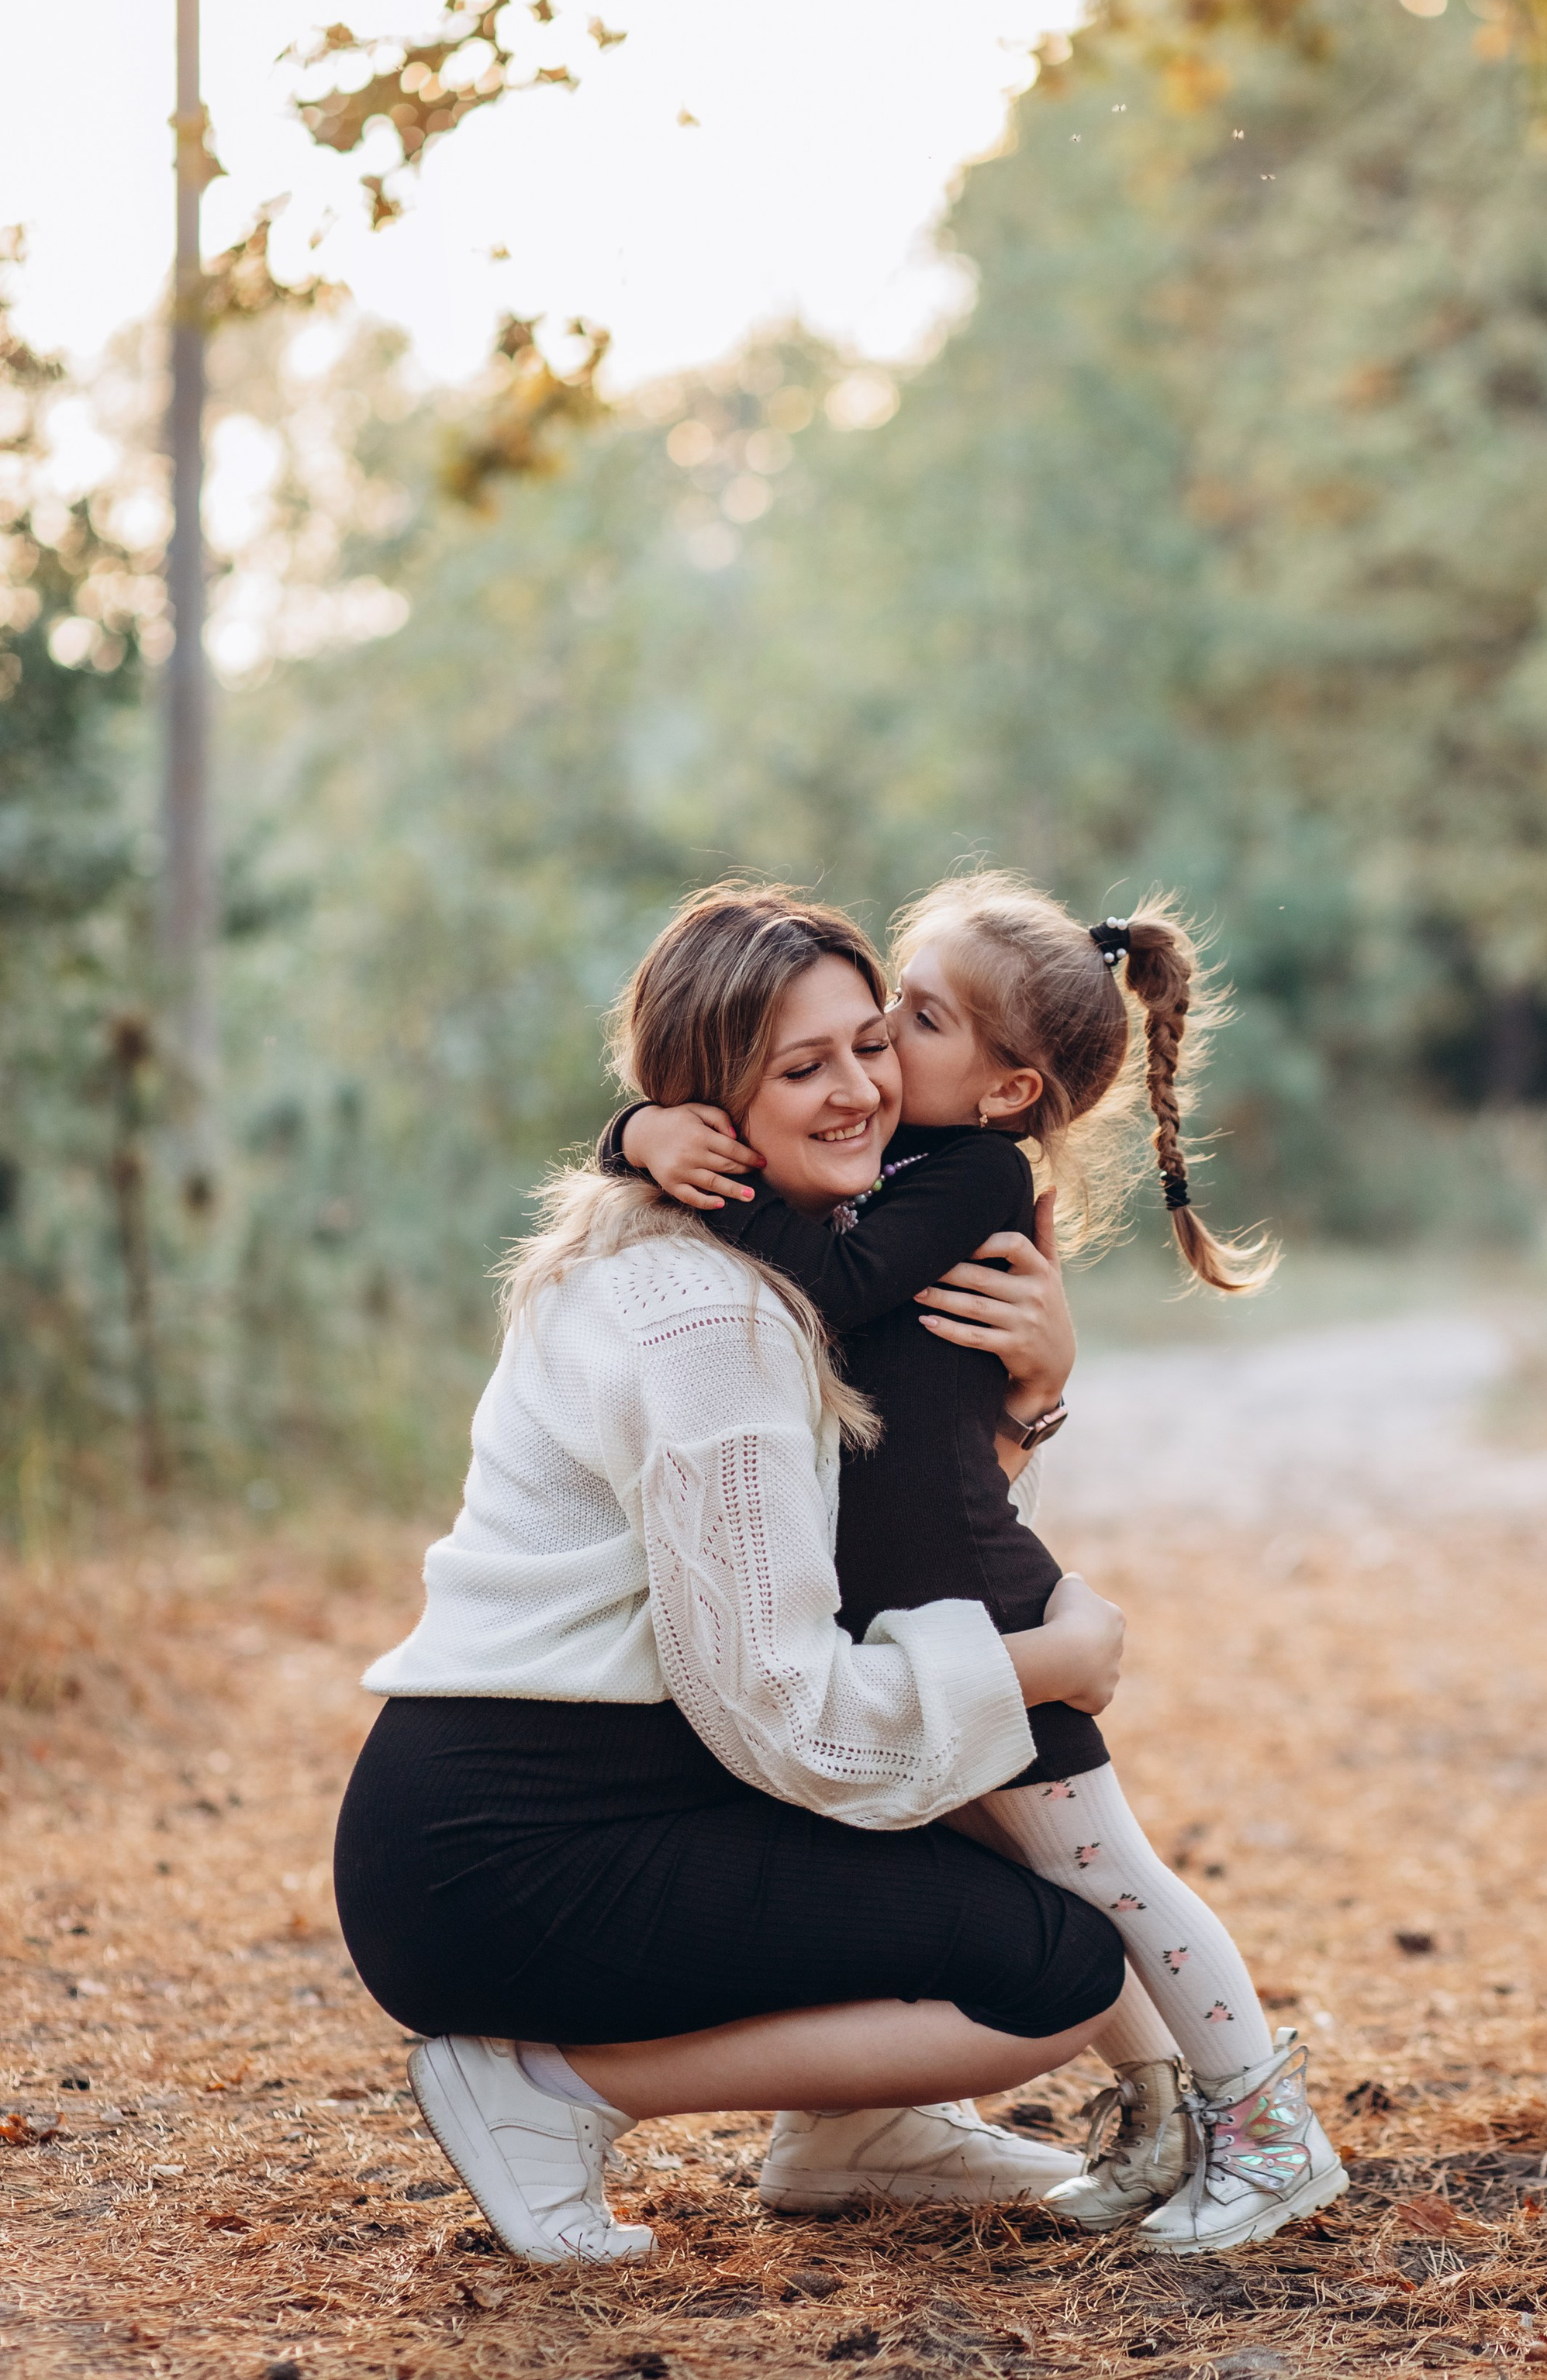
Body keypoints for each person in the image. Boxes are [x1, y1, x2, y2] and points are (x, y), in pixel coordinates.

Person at [333, 888, 1131, 2264]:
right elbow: (788, 1707)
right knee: (1056, 1975)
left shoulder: (761, 1263)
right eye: (799, 1068)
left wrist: (1028, 1403)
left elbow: (891, 1555)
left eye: (869, 1045)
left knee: (973, 1809)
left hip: (579, 1798)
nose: (860, 1094)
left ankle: (855, 2128)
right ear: (709, 1109)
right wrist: (1049, 1665)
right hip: (510, 1853)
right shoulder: (718, 1317)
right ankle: (541, 2092)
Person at [603, 871, 1348, 2254]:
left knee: (1115, 1877)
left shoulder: (974, 1176)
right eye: (893, 991)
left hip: (972, 1598)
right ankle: (1161, 2117)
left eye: (920, 1017)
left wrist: (681, 1169)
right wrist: (641, 1128)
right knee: (1051, 1876)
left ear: (1007, 1091)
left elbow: (819, 1289)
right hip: (909, 1609)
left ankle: (1268, 2132)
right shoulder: (899, 1158)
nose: (881, 1032)